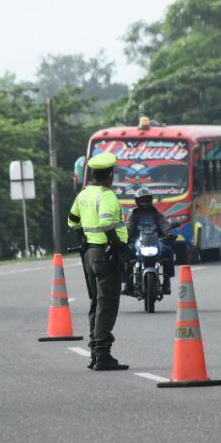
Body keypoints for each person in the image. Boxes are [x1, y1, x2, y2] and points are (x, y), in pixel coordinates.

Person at [66, 152, 130, 371]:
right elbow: (106, 224)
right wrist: (119, 247)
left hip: (90, 254)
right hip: (105, 254)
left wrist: (85, 239)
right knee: (107, 304)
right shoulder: (107, 195)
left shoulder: (83, 194)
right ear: (110, 175)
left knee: (96, 303)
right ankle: (102, 355)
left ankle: (95, 352)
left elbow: (72, 221)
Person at [123, 188, 176, 296]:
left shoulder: (157, 214)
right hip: (138, 242)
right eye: (142, 200)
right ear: (137, 201)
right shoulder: (133, 214)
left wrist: (168, 234)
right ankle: (128, 283)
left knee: (169, 252)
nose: (145, 203)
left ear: (151, 200)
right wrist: (125, 237)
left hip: (156, 242)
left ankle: (167, 281)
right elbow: (129, 227)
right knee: (125, 254)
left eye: (147, 200)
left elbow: (164, 224)